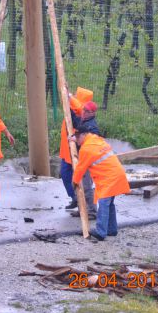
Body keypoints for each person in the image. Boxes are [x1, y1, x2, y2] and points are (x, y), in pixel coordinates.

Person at [72, 131, 130, 241]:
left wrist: (75, 182)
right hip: (117, 174)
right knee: (110, 204)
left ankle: (101, 232)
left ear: (82, 136)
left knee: (103, 204)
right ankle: (111, 230)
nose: (78, 144)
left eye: (77, 140)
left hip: (108, 178)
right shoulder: (97, 140)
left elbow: (80, 168)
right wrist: (75, 138)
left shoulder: (86, 149)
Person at [59, 87, 98, 219]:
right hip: (80, 156)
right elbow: (75, 119)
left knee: (86, 186)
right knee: (77, 183)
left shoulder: (91, 124)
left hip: (86, 159)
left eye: (86, 111)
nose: (83, 112)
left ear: (91, 113)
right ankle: (82, 208)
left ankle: (91, 211)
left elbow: (90, 136)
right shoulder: (84, 119)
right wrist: (67, 105)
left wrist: (69, 97)